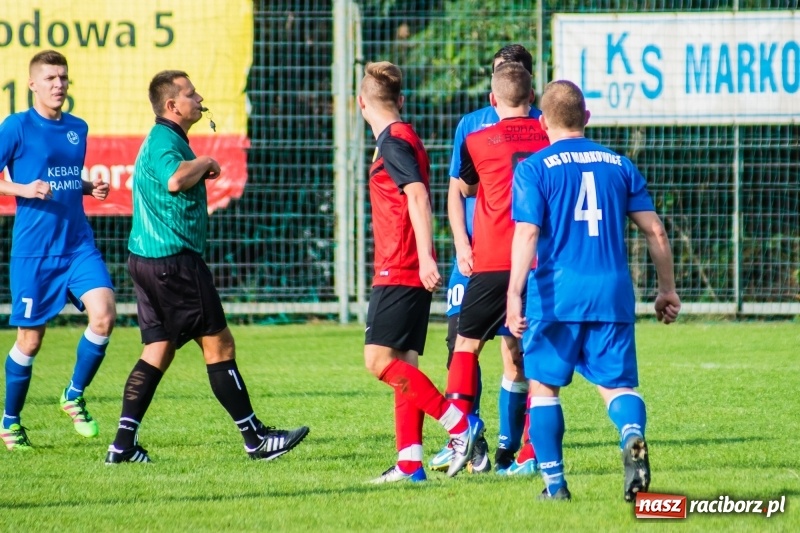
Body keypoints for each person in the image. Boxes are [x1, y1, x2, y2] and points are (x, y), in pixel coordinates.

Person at [104, 70, 309, 463]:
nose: (199, 98)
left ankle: (122, 445)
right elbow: (176, 180)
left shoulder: (167, 138)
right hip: (173, 263)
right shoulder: (165, 141)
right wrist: (206, 161)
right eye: (190, 93)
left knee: (158, 350)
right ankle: (255, 439)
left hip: (147, 261)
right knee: (220, 344)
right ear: (172, 106)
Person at [506, 80, 681, 501]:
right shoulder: (619, 165)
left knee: (544, 388)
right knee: (619, 387)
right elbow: (655, 229)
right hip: (612, 292)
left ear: (542, 121)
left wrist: (514, 295)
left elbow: (527, 233)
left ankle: (555, 485)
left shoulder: (533, 168)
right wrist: (666, 290)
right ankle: (632, 435)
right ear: (586, 118)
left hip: (556, 294)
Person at [358, 61, 482, 483]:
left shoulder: (392, 141)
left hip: (400, 265)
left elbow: (416, 194)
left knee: (377, 361)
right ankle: (410, 463)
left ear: (361, 104)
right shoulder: (404, 135)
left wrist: (426, 256)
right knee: (403, 362)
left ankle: (460, 426)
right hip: (407, 266)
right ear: (402, 100)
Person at [430, 44, 540, 477]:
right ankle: (505, 446)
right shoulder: (548, 133)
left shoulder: (481, 137)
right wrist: (460, 241)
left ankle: (488, 438)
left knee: (485, 349)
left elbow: (461, 186)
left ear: (497, 95)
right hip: (519, 259)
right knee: (530, 354)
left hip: (495, 258)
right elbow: (456, 192)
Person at [0, 50, 116, 450]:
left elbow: (63, 178)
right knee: (30, 341)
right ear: (32, 84)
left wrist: (89, 188)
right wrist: (22, 188)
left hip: (77, 245)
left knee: (104, 315)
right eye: (50, 78)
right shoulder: (15, 127)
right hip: (34, 253)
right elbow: (22, 182)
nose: (58, 84)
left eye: (63, 77)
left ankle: (73, 395)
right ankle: (10, 422)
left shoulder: (77, 128)